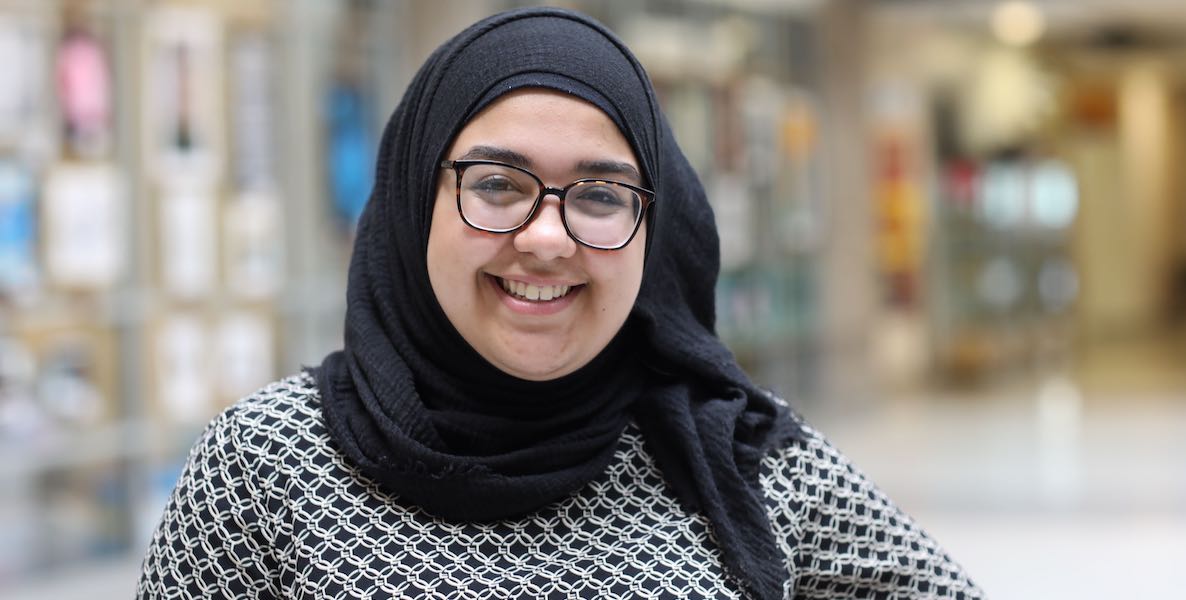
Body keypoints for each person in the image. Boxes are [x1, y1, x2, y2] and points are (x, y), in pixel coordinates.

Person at [137, 7, 983, 599]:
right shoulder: (266, 468)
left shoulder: (743, 461)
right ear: (413, 200)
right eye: (498, 183)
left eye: (602, 196)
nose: (547, 238)